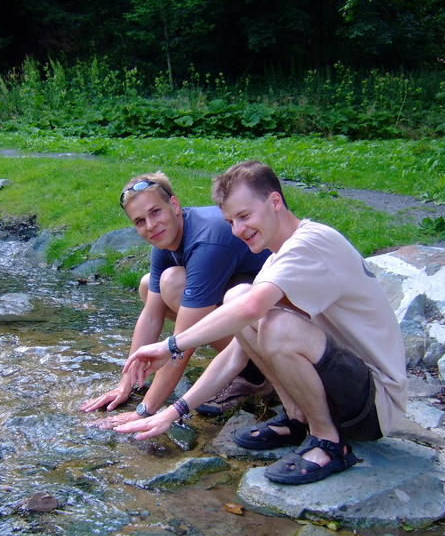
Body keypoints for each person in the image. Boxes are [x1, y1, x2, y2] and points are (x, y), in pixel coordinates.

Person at [115, 161, 407, 485]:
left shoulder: (311, 242)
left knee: (268, 320)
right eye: (231, 221)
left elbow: (252, 308)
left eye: (244, 216)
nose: (238, 230)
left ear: (275, 203)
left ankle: (329, 443)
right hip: (345, 387)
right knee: (238, 297)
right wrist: (175, 412)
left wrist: (171, 345)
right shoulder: (274, 259)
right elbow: (236, 352)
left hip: (375, 405)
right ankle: (298, 419)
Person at [80, 171, 272, 427]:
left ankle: (255, 374)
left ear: (174, 205)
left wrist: (145, 411)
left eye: (155, 212)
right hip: (247, 305)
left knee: (172, 283)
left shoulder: (206, 240)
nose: (150, 225)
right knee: (150, 285)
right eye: (139, 221)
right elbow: (151, 315)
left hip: (274, 325)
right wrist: (124, 385)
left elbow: (182, 343)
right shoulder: (165, 239)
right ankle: (241, 363)